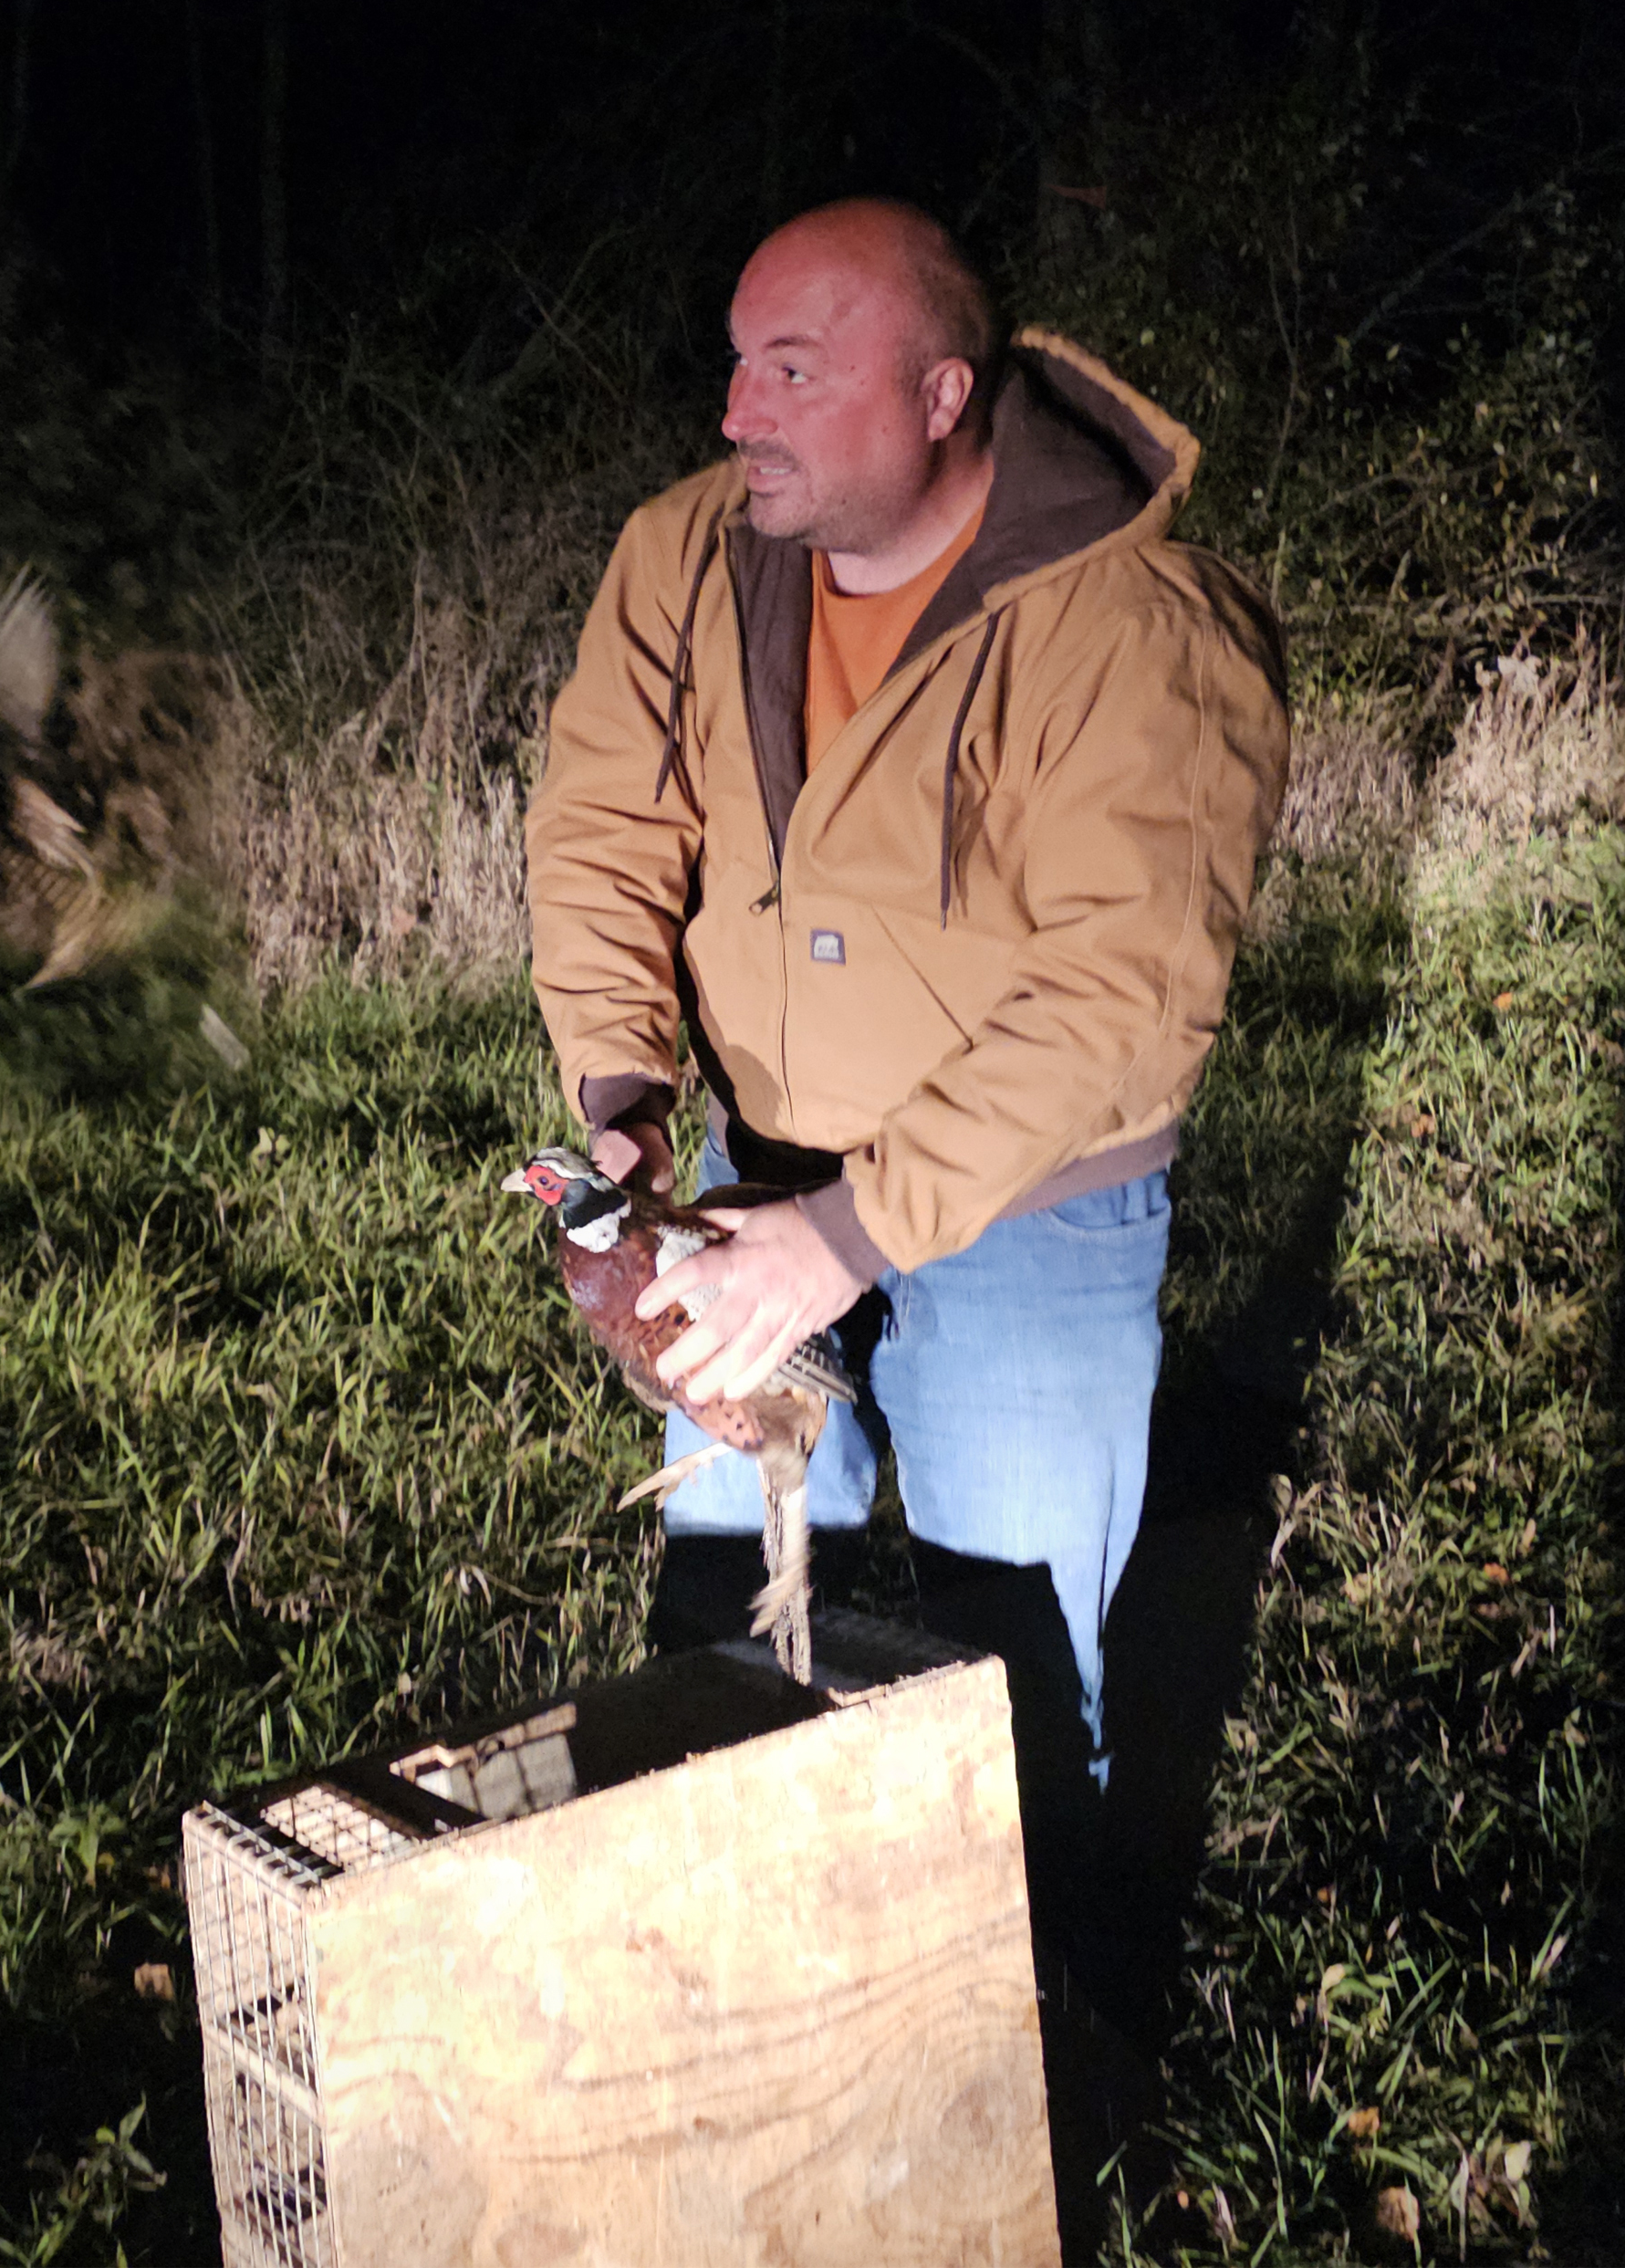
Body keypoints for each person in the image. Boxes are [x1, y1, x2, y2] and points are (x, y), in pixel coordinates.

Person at [525, 197, 1286, 1991]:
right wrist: (632, 1105)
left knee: (1004, 1662)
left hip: (1030, 1211)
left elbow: (1126, 987)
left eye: (791, 370)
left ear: (946, 394)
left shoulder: (1135, 625)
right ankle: (760, 2012)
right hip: (744, 1169)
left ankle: (1039, 2061)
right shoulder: (687, 557)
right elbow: (606, 834)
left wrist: (850, 1236)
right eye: (733, 364)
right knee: (725, 1611)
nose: (736, 413)